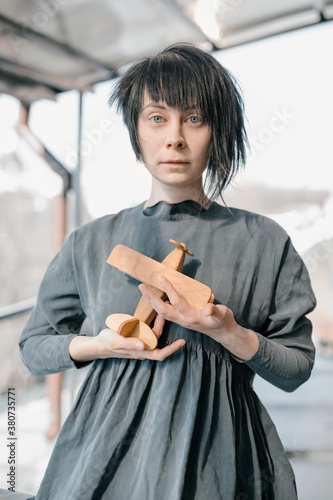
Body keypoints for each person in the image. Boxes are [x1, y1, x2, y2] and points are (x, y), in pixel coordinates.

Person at [19, 43, 316, 500]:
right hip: (102, 458)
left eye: (194, 118)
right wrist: (99, 344)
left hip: (224, 461)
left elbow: (296, 370)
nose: (174, 137)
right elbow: (35, 348)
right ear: (137, 131)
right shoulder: (91, 241)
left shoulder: (265, 241)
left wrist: (231, 332)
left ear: (218, 130)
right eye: (157, 118)